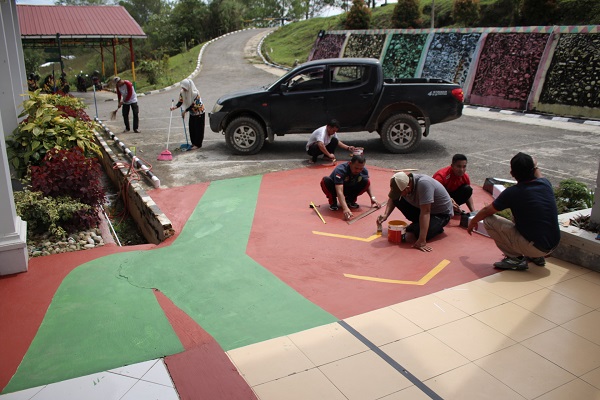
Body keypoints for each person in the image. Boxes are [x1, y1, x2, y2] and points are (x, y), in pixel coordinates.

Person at [467, 152, 560, 270]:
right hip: (553, 244)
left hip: (536, 247)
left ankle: (515, 259)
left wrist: (473, 221)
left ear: (512, 173)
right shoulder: (545, 183)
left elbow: (486, 211)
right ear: (534, 169)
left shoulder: (513, 193)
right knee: (519, 214)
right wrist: (533, 164)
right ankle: (535, 256)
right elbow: (537, 171)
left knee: (489, 221)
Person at [378, 171, 453, 252]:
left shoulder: (424, 184)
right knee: (397, 199)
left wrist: (422, 240)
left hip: (441, 214)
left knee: (418, 233)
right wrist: (385, 215)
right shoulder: (403, 183)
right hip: (421, 208)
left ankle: (433, 227)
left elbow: (426, 212)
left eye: (401, 192)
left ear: (407, 188)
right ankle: (420, 225)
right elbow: (392, 198)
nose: (400, 195)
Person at [320, 154, 381, 220]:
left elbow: (367, 184)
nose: (358, 171)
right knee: (325, 180)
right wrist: (345, 209)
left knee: (366, 181)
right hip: (336, 188)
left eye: (361, 168)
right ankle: (333, 203)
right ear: (350, 163)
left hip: (349, 187)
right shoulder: (341, 170)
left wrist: (372, 197)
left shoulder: (364, 171)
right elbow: (339, 191)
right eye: (356, 168)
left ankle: (350, 200)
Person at [170, 79, 205, 150]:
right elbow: (180, 101)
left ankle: (198, 144)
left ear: (189, 86)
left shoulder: (195, 93)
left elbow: (195, 105)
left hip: (199, 112)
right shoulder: (182, 92)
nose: (183, 89)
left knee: (198, 129)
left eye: (185, 87)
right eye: (182, 87)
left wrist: (185, 111)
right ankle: (193, 143)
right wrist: (175, 107)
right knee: (192, 128)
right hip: (192, 113)